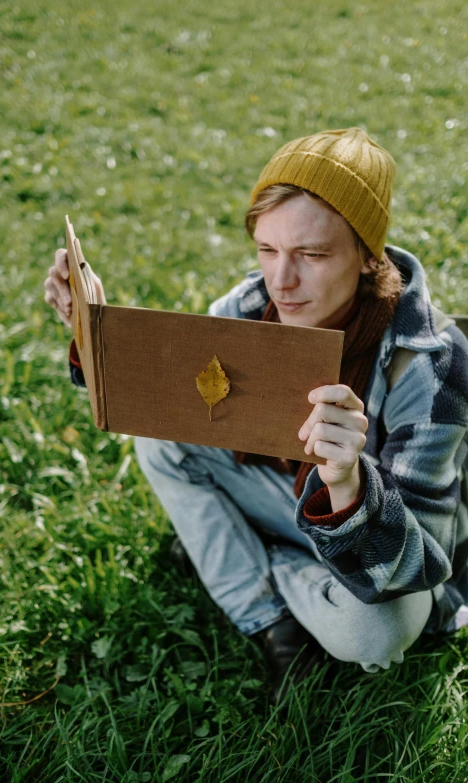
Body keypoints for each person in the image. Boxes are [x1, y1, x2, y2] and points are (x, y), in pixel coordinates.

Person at [44, 127, 468, 705]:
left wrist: (348, 481)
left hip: (391, 544)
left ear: (369, 256)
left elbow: (418, 564)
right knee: (162, 442)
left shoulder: (431, 361)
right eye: (267, 250)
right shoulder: (249, 309)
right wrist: (93, 334)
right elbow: (166, 402)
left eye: (312, 255)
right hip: (285, 494)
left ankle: (229, 548)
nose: (281, 280)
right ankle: (272, 620)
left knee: (380, 633)